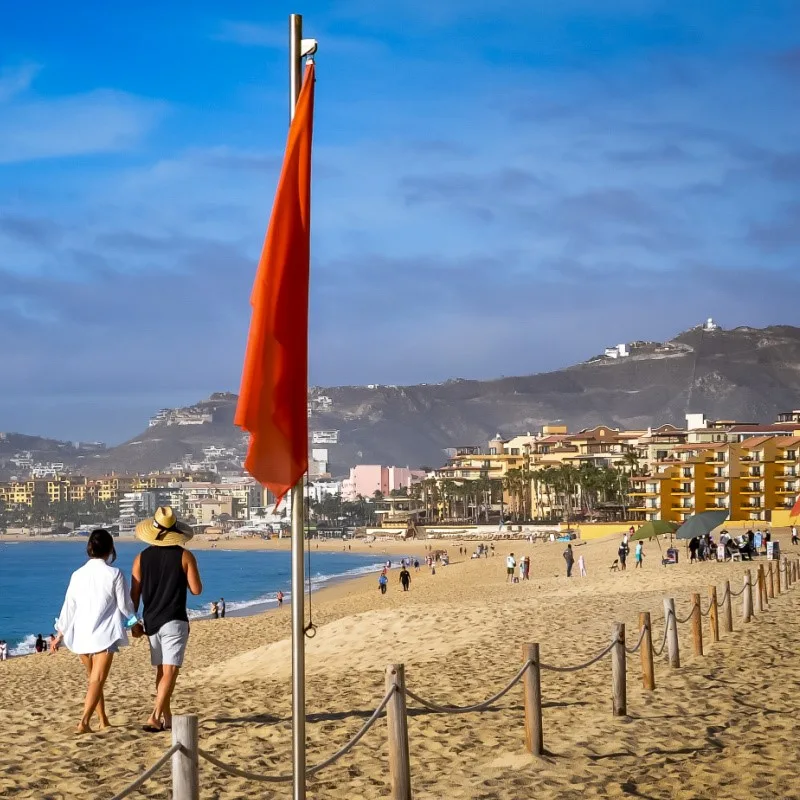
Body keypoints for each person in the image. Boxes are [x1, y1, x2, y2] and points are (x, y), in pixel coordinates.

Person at [52, 528, 142, 734]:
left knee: (93, 679)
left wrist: (60, 635)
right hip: (104, 634)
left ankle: (103, 720)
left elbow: (69, 607)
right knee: (97, 680)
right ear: (110, 549)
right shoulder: (115, 573)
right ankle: (83, 722)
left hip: (80, 634)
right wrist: (135, 623)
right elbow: (125, 607)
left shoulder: (77, 574)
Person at [131, 507, 202, 734]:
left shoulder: (141, 558)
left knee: (162, 671)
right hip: (174, 619)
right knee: (170, 671)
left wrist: (132, 622)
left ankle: (167, 717)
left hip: (150, 621)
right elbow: (197, 589)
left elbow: (134, 596)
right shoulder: (184, 555)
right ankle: (154, 716)